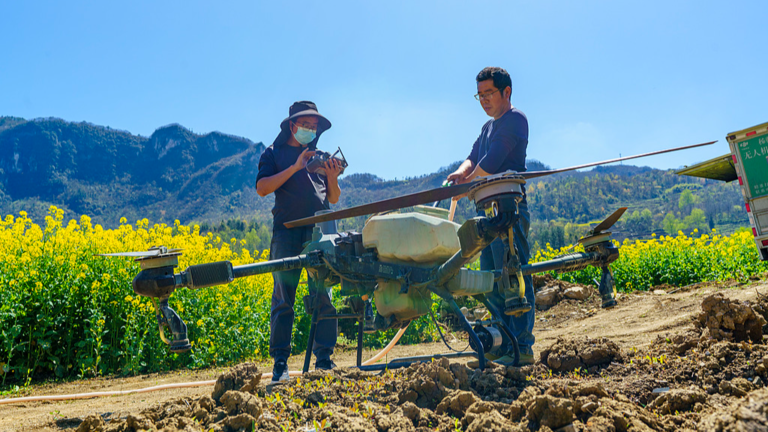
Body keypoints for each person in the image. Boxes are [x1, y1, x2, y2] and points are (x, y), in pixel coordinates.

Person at [447, 67, 535, 366]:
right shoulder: (487, 128)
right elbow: (474, 156)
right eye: (480, 95)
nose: (484, 100)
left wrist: (467, 185)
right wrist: (461, 173)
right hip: (485, 212)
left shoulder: (515, 121)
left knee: (514, 279)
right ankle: (502, 344)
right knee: (491, 280)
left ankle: (522, 347)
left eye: (489, 94)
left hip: (508, 209)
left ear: (506, 92)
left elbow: (492, 160)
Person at [255, 101, 344, 383]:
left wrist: (332, 177)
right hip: (286, 231)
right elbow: (262, 188)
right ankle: (280, 362)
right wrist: (295, 167)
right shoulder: (273, 153)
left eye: (314, 126)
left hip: (318, 229)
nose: (309, 129)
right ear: (292, 125)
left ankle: (324, 359)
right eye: (305, 124)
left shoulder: (321, 156)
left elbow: (333, 198)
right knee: (284, 297)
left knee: (322, 293)